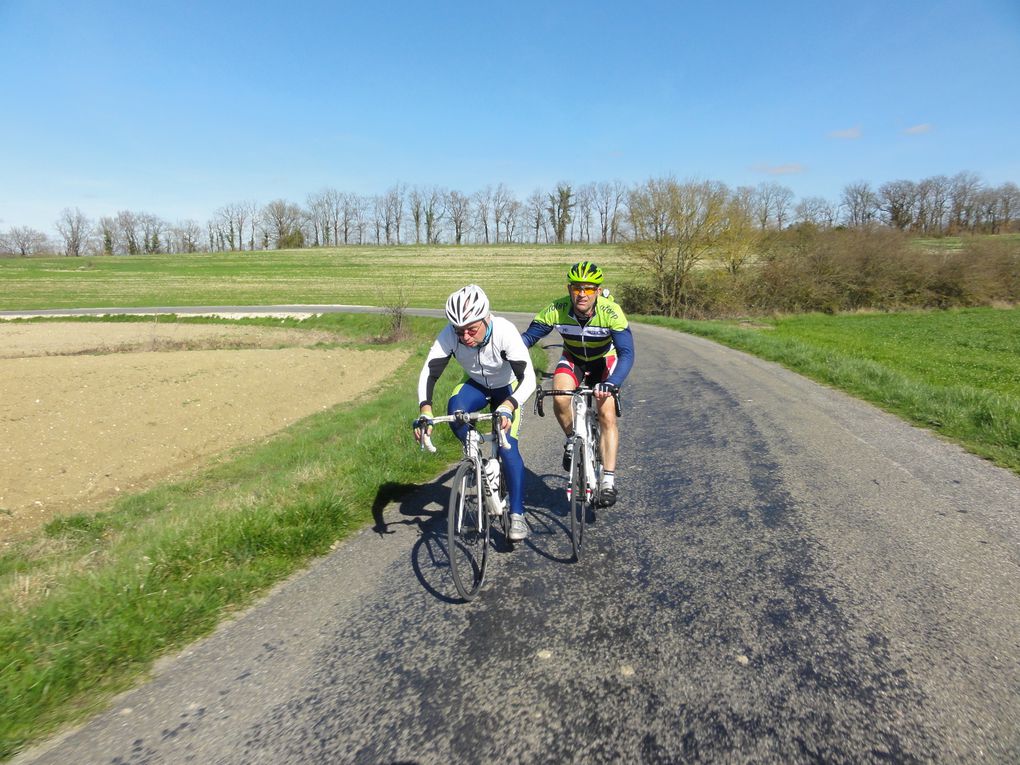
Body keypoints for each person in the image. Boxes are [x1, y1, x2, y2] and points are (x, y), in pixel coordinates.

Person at [415, 284, 537, 541]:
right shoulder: (449, 335)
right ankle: (478, 461)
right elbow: (429, 371)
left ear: (486, 318)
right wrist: (425, 408)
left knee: (507, 447)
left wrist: (509, 405)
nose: (466, 337)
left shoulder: (504, 331)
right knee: (455, 410)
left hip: (507, 389)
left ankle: (517, 514)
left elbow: (528, 379)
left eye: (472, 329)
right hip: (476, 386)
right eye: (460, 331)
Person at [522, 261, 635, 506]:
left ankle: (608, 480)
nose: (581, 294)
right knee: (561, 397)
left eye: (588, 288)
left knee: (606, 413)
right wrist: (504, 353)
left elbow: (626, 353)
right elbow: (528, 338)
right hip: (574, 359)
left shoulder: (611, 311)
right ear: (569, 288)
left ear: (597, 290)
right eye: (576, 288)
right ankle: (572, 439)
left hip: (605, 362)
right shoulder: (557, 308)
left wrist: (613, 383)